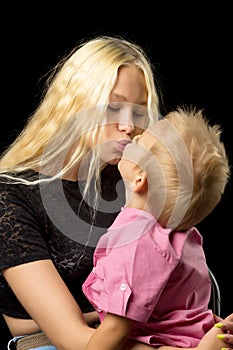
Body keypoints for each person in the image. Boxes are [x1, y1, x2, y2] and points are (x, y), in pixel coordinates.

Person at [0, 34, 232, 350]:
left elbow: (175, 292)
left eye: (138, 112)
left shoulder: (135, 177)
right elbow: (75, 340)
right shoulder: (11, 197)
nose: (128, 126)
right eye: (113, 108)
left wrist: (214, 330)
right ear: (73, 104)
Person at [82, 107, 233, 350]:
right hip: (188, 332)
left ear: (140, 178)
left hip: (167, 342)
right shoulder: (180, 235)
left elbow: (115, 328)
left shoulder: (134, 242)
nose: (135, 136)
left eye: (142, 140)